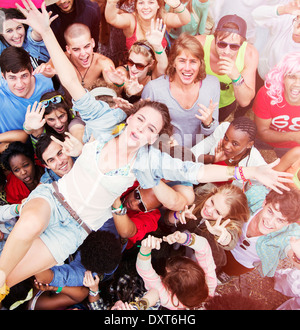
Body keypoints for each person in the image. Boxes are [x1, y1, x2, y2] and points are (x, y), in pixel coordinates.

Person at [0, 1, 291, 297]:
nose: (142, 128)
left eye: (151, 129)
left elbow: (196, 169)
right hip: (54, 199)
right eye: (140, 119)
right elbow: (72, 82)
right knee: (28, 227)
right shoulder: (104, 123)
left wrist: (246, 169)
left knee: (14, 274)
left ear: (154, 138)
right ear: (131, 117)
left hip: (75, 229)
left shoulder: (147, 162)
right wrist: (47, 33)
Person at [142, 32, 220, 148]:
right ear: (173, 62)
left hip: (199, 155)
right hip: (166, 154)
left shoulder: (212, 84)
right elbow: (143, 130)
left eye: (193, 61)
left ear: (200, 63)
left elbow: (213, 134)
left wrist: (208, 123)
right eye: (182, 61)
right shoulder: (154, 89)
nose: (187, 68)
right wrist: (162, 141)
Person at [164, 183, 250, 271]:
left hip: (198, 259)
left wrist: (222, 236)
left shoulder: (230, 223)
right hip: (174, 236)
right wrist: (177, 214)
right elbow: (165, 220)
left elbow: (231, 241)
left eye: (218, 212)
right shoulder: (202, 193)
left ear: (227, 217)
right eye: (212, 202)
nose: (209, 210)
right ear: (213, 193)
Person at [220, 186, 300, 278]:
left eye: (280, 220)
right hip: (221, 243)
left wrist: (298, 257)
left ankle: (225, 276)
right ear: (264, 202)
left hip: (243, 262)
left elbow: (293, 252)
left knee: (230, 272)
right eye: (270, 212)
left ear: (288, 223)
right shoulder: (254, 196)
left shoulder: (288, 236)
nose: (270, 222)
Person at [196, 14, 258, 121]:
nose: (227, 51)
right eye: (222, 44)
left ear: (242, 44)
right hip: (195, 102)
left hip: (224, 105)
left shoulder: (249, 54)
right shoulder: (199, 44)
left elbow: (244, 101)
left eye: (234, 46)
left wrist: (236, 77)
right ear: (214, 38)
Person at [136, 231, 217, 309]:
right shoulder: (210, 283)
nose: (166, 268)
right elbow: (203, 247)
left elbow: (145, 271)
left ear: (170, 288)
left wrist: (145, 250)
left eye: (167, 271)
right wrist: (183, 238)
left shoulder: (170, 301)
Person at [191, 116, 266, 188]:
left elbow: (248, 194)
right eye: (226, 138)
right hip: (203, 180)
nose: (226, 146)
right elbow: (192, 154)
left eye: (235, 144)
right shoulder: (224, 129)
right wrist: (212, 159)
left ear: (249, 144)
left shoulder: (256, 165)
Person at [105, 18, 168, 103]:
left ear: (150, 64)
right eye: (130, 62)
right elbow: (121, 90)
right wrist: (122, 87)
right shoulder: (122, 71)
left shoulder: (153, 75)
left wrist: (157, 46)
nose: (133, 68)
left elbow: (163, 64)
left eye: (140, 66)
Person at [253, 51, 300, 158]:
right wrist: (294, 136)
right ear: (282, 78)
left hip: (295, 148)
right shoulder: (267, 94)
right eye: (292, 76)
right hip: (263, 141)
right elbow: (262, 133)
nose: (297, 83)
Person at [39, 23, 115, 89]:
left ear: (93, 43)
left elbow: (114, 91)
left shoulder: (103, 63)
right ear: (68, 49)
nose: (83, 53)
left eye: (87, 46)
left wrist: (119, 84)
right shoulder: (61, 59)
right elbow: (48, 71)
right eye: (76, 49)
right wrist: (46, 72)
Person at [0, 46, 54, 137]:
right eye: (12, 78)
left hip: (42, 142)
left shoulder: (46, 83)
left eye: (24, 76)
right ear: (3, 76)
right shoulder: (1, 93)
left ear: (31, 70)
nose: (19, 84)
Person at [104, 0, 191, 51]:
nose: (146, 7)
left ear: (158, 5)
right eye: (141, 3)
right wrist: (112, 2)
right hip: (136, 70)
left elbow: (185, 19)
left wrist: (178, 6)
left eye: (151, 2)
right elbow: (112, 19)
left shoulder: (163, 19)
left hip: (160, 71)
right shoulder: (132, 20)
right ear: (136, 6)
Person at [252, 0, 300, 82]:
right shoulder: (286, 19)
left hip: (294, 89)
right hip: (264, 78)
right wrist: (283, 9)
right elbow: (255, 15)